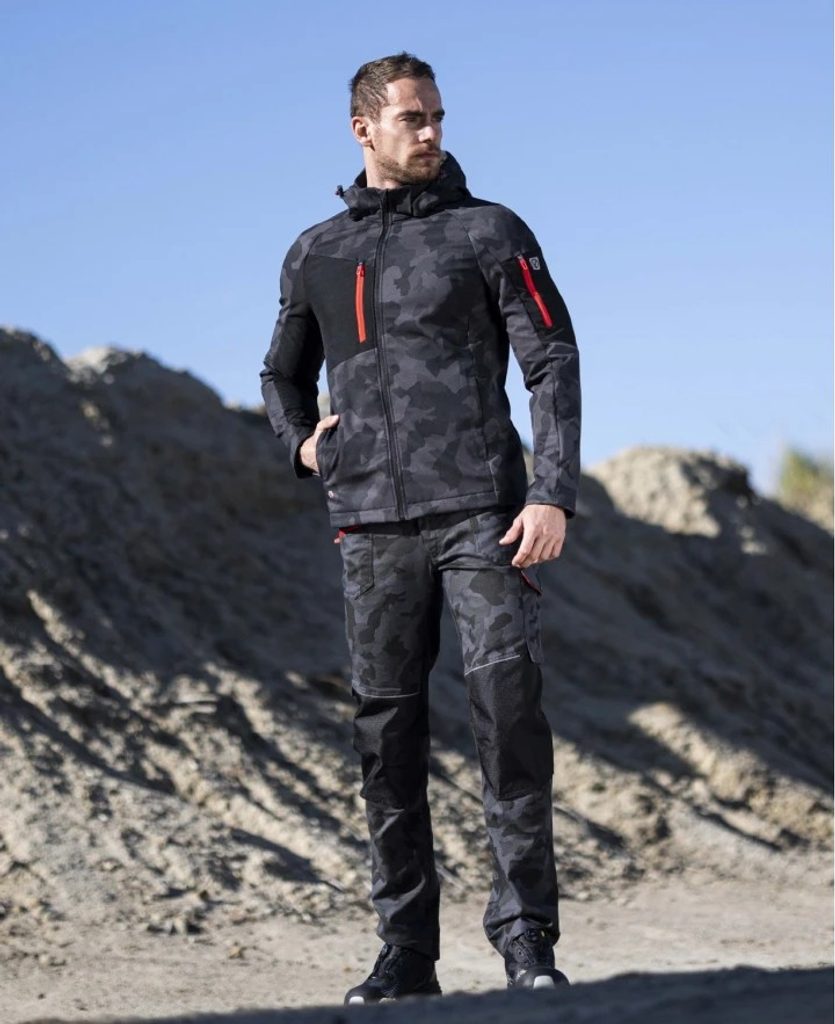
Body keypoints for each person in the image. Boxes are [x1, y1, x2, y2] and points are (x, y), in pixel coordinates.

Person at [260, 52, 580, 1002]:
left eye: (437, 115)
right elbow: (280, 372)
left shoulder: (488, 231)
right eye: (413, 118)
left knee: (507, 717)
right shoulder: (316, 252)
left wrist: (551, 492)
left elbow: (551, 360)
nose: (432, 132)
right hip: (369, 525)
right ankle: (406, 952)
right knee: (386, 735)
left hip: (485, 514)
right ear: (363, 128)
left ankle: (525, 942)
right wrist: (300, 444)